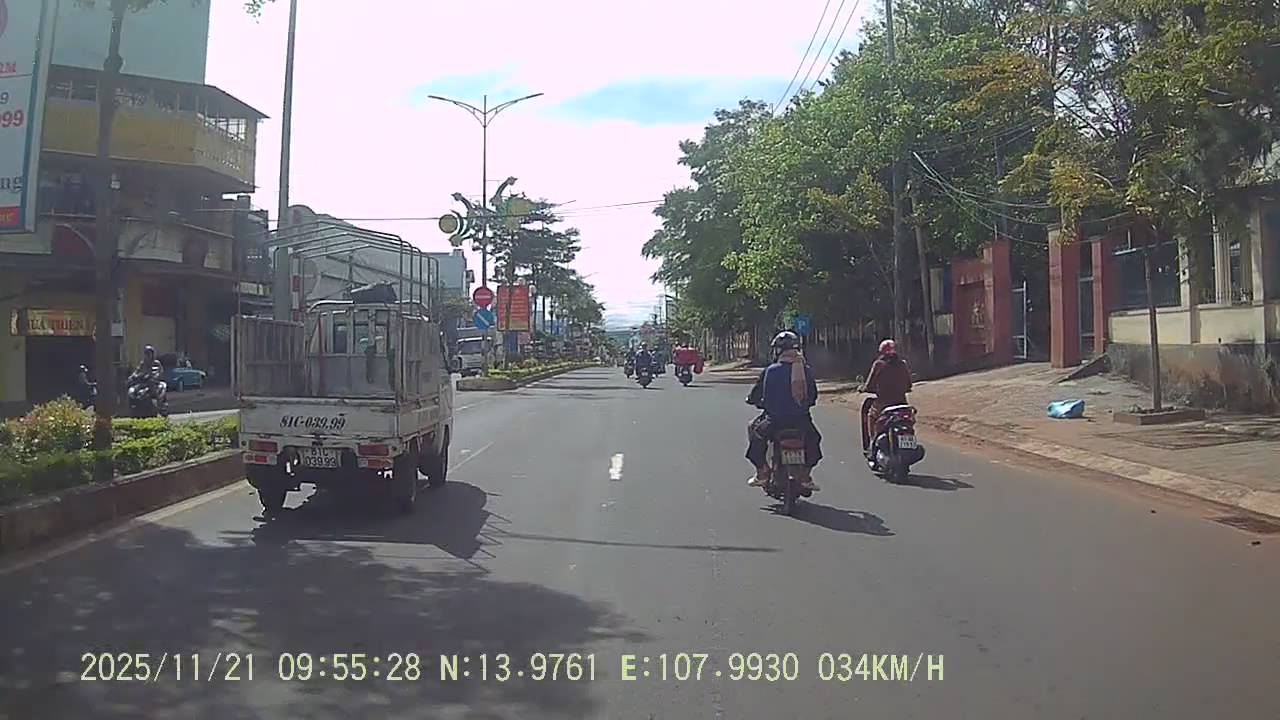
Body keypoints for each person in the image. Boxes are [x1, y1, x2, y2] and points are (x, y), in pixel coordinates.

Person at [745, 331, 822, 491]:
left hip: (774, 421)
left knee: (755, 434)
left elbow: (758, 394)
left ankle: (762, 472)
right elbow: (813, 396)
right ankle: (806, 476)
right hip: (801, 421)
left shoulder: (770, 370)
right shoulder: (805, 370)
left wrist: (754, 401)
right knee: (814, 440)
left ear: (778, 350)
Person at [861, 339, 913, 455]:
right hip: (901, 403)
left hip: (883, 403)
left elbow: (870, 384)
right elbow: (909, 384)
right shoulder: (902, 364)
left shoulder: (878, 364)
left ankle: (872, 444)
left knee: (871, 415)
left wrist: (864, 388)